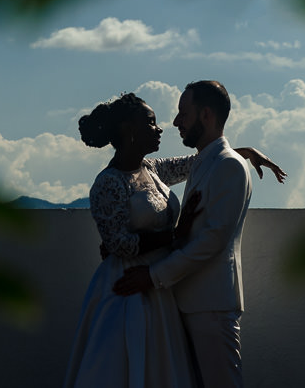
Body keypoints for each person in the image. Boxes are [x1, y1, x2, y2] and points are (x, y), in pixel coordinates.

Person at [64, 92, 285, 388]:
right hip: (128, 288)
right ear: (130, 129)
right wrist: (175, 235)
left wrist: (242, 151)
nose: (160, 128)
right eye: (151, 123)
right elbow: (119, 245)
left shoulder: (153, 170)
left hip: (161, 289)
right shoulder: (107, 183)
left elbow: (201, 160)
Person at [112, 81, 261, 388]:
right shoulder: (206, 162)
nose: (176, 121)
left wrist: (152, 275)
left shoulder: (228, 166)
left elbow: (211, 241)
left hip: (211, 305)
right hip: (189, 302)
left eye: (183, 113)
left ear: (205, 115)